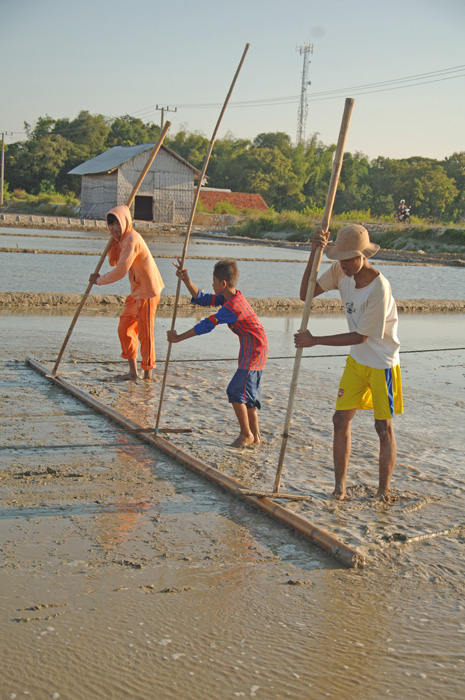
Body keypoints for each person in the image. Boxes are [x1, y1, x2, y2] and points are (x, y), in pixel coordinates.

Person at [295, 224, 403, 501]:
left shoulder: (379, 287)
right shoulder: (339, 272)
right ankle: (339, 488)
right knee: (340, 419)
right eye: (339, 259)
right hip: (357, 362)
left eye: (348, 259)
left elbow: (360, 336)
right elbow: (305, 295)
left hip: (382, 363)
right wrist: (314, 254)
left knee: (383, 427)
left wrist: (315, 340)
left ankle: (383, 491)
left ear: (363, 256)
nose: (342, 264)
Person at [167, 258, 268, 448]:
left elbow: (207, 324)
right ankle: (256, 437)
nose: (212, 285)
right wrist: (186, 279)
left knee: (235, 391)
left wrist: (178, 337)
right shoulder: (229, 296)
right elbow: (203, 299)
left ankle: (246, 434)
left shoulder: (234, 307)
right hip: (255, 349)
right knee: (249, 399)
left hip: (254, 351)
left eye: (213, 281)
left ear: (222, 283)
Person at [89, 205, 164, 381]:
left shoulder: (131, 240)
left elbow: (120, 271)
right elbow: (114, 262)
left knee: (145, 333)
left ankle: (147, 374)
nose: (115, 228)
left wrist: (98, 280)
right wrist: (114, 241)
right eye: (111, 225)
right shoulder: (122, 239)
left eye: (117, 224)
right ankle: (132, 372)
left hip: (148, 291)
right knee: (125, 327)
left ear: (125, 222)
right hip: (137, 291)